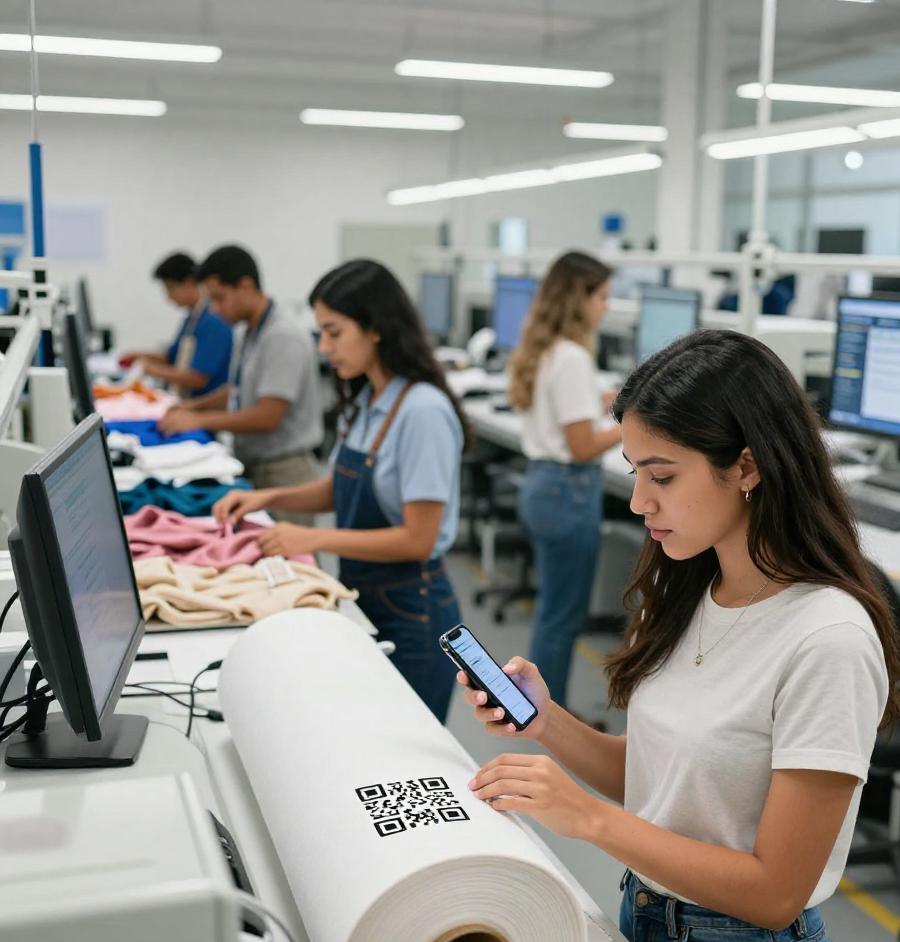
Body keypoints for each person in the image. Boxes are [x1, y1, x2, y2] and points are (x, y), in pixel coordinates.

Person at [458, 329, 900, 942]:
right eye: (635, 471)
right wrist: (547, 721)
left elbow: (773, 893)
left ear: (749, 467)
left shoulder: (828, 640)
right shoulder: (690, 589)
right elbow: (666, 777)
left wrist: (589, 819)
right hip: (647, 920)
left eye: (662, 476)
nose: (640, 501)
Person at [213, 260, 469, 723]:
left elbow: (418, 539)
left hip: (416, 613)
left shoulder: (422, 412)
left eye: (334, 333)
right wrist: (268, 499)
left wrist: (312, 539)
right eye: (321, 335)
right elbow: (339, 490)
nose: (325, 348)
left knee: (407, 747)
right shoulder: (368, 400)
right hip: (369, 594)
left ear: (375, 329)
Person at [507, 250, 620, 709]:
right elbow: (582, 447)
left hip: (542, 486)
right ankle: (548, 716)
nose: (606, 307)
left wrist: (605, 399)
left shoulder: (546, 350)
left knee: (551, 611)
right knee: (562, 617)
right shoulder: (572, 357)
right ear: (580, 299)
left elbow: (564, 416)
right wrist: (635, 424)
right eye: (602, 297)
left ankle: (534, 706)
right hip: (568, 492)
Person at [158, 244, 322, 524]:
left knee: (288, 561)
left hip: (283, 472)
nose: (216, 309)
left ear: (245, 286)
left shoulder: (282, 336)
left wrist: (198, 421)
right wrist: (191, 407)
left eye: (220, 299)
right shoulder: (248, 331)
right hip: (258, 465)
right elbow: (236, 392)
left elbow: (267, 416)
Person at [120, 252, 234, 397]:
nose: (169, 297)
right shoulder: (193, 318)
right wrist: (139, 355)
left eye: (171, 288)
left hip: (204, 404)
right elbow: (172, 356)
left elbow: (198, 379)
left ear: (189, 282)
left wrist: (151, 369)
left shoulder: (213, 321)